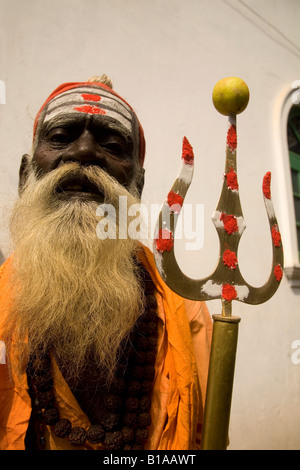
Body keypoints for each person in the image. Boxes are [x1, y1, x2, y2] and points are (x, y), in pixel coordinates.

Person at [0, 75, 212, 450]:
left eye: (112, 145)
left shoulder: (187, 312)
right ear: (24, 176)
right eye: (61, 137)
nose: (83, 152)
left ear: (137, 187)